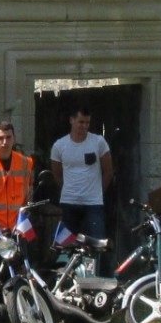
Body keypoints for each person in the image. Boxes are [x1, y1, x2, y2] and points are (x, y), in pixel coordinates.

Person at [50, 108, 114, 253]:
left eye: (87, 123)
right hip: (69, 203)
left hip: (93, 204)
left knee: (98, 245)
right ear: (71, 120)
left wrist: (97, 192)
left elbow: (108, 171)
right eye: (81, 122)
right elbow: (57, 174)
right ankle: (66, 274)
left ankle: (99, 274)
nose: (84, 126)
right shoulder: (59, 146)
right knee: (65, 247)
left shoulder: (98, 142)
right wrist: (68, 189)